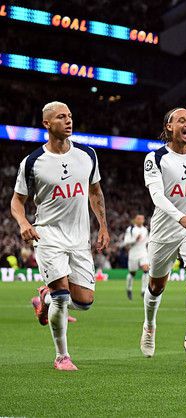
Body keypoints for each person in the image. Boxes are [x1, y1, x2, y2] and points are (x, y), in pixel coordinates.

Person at [11, 101, 110, 371]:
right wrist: (23, 222)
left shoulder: (87, 155)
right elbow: (17, 201)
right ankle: (62, 357)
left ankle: (44, 297)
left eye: (70, 116)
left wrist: (103, 225)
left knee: (85, 302)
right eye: (61, 117)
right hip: (48, 235)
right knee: (62, 297)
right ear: (46, 123)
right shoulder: (33, 162)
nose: (68, 121)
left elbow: (95, 192)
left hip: (79, 238)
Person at [140, 107, 186, 364]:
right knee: (156, 286)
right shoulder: (156, 158)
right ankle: (149, 325)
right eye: (182, 120)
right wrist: (180, 216)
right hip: (164, 229)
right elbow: (156, 195)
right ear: (169, 127)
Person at [123, 214, 150, 300]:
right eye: (138, 218)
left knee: (146, 270)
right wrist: (135, 240)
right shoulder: (130, 229)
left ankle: (143, 290)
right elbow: (126, 242)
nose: (140, 220)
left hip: (143, 253)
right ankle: (129, 289)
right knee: (132, 273)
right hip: (133, 254)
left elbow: (147, 241)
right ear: (135, 220)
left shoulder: (145, 230)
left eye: (142, 219)